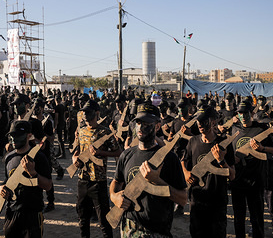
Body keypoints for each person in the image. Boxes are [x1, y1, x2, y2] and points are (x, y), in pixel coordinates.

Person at [110, 103, 187, 237]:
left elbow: (182, 199)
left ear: (157, 126)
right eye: (138, 122)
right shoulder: (127, 155)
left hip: (157, 230)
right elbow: (116, 182)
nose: (140, 127)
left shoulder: (169, 158)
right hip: (129, 229)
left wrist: (156, 181)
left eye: (146, 123)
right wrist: (114, 196)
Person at [182, 105, 235, 238]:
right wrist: (186, 173)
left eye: (203, 120)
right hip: (197, 201)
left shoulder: (224, 143)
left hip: (217, 203)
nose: (200, 124)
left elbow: (233, 175)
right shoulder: (193, 141)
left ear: (213, 121)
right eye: (198, 121)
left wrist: (221, 160)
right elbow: (183, 161)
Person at [72, 100, 121, 238]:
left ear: (97, 113)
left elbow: (118, 152)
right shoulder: (81, 131)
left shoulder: (105, 133)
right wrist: (75, 160)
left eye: (88, 112)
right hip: (82, 180)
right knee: (83, 219)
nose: (85, 115)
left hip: (98, 181)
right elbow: (76, 152)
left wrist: (101, 153)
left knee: (104, 221)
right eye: (84, 112)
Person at [0, 120, 52, 238]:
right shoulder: (9, 157)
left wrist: (33, 173)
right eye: (11, 136)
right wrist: (2, 187)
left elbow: (48, 185)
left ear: (29, 136)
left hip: (32, 214)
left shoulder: (39, 157)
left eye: (17, 135)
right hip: (12, 212)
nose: (13, 139)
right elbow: (7, 179)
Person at [230, 101, 273, 238]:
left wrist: (262, 149)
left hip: (256, 181)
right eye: (240, 113)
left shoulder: (261, 129)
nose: (243, 116)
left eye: (245, 113)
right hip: (238, 181)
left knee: (257, 218)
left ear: (252, 113)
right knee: (238, 218)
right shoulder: (233, 129)